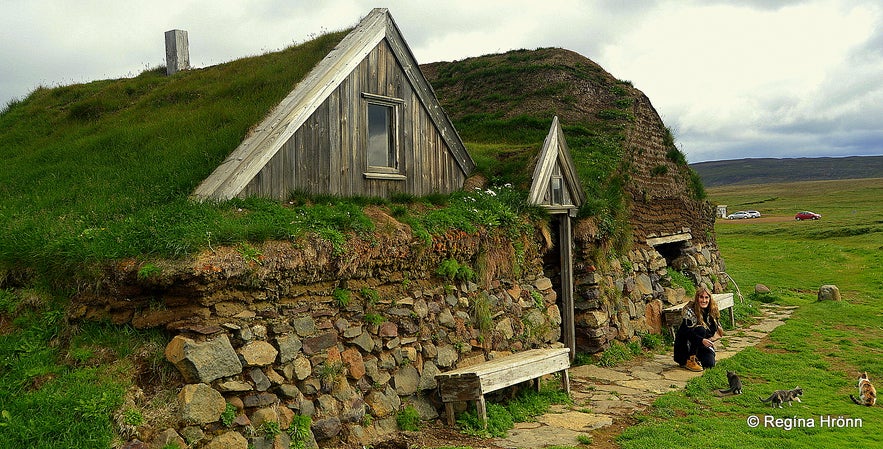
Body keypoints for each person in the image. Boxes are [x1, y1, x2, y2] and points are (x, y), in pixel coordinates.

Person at [673, 287, 722, 371]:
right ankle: (691, 359)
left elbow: (713, 330)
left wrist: (706, 339)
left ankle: (698, 357)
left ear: (710, 298)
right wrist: (701, 340)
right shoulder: (689, 310)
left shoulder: (712, 310)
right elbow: (686, 332)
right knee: (700, 329)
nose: (704, 300)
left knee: (709, 364)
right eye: (701, 297)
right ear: (697, 298)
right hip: (685, 348)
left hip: (701, 344)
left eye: (706, 297)